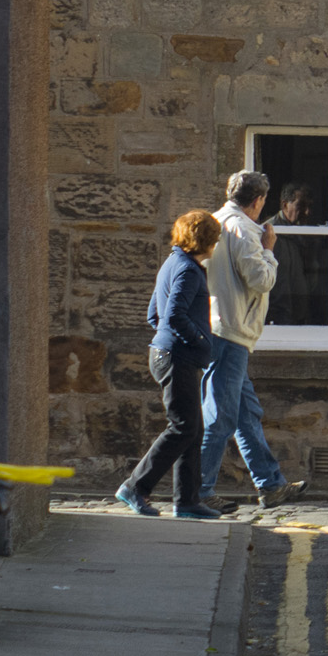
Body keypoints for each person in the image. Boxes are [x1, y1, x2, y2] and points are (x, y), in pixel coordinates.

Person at [199, 168, 300, 512]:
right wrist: (270, 249)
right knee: (220, 417)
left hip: (219, 326)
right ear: (258, 201)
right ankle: (199, 491)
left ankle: (271, 485)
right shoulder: (243, 228)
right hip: (231, 332)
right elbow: (261, 279)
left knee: (245, 413)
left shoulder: (215, 221)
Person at [116, 209, 223, 518]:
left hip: (169, 354)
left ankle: (187, 502)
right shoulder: (189, 270)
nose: (215, 246)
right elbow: (173, 315)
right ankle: (135, 487)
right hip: (178, 358)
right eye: (214, 240)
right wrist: (202, 342)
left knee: (193, 428)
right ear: (204, 240)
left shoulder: (172, 264)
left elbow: (154, 314)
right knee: (183, 427)